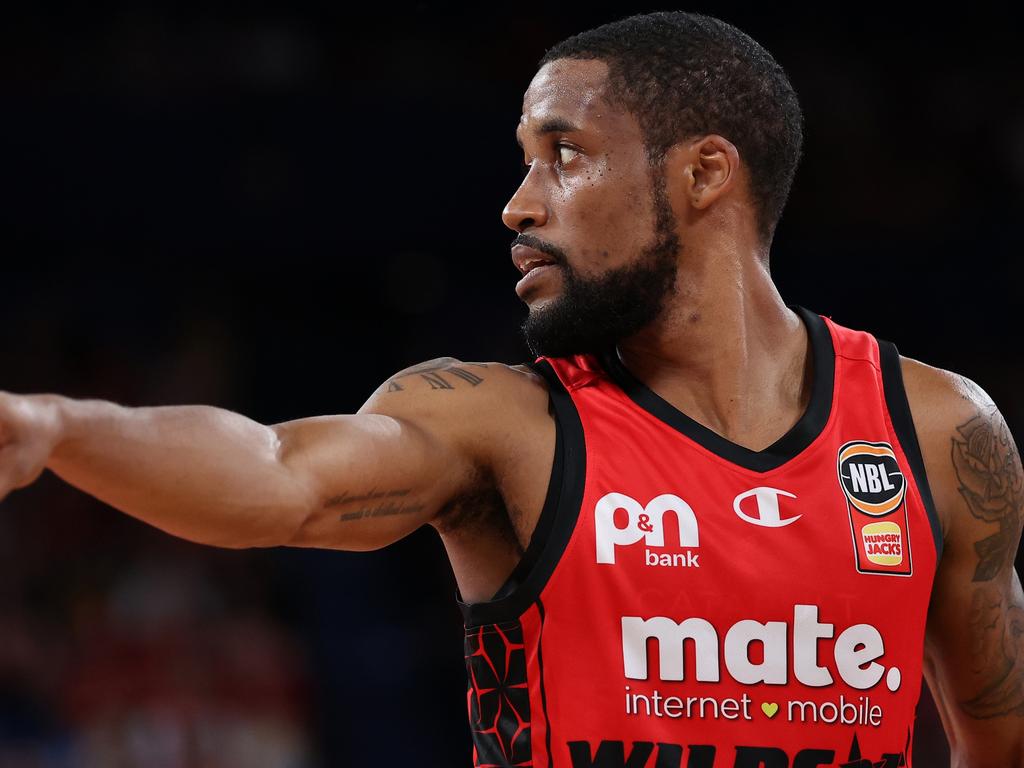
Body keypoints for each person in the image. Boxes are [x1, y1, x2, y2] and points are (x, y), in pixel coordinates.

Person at [1, 10, 1021, 767]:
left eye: (563, 158)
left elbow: (996, 740)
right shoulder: (507, 423)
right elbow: (281, 477)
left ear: (704, 174)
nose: (516, 204)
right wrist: (56, 427)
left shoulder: (932, 431)